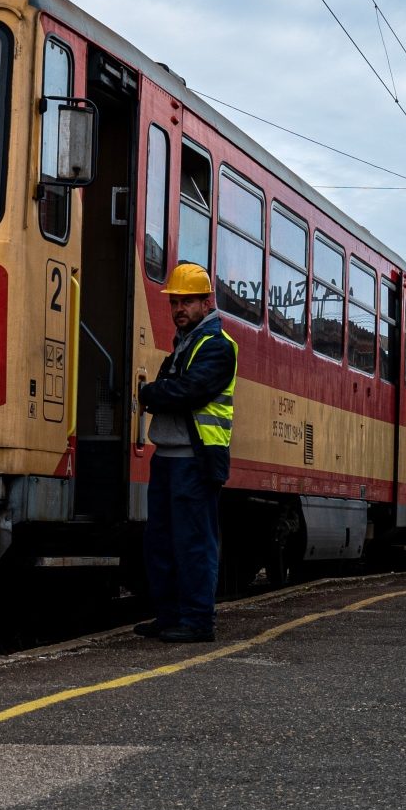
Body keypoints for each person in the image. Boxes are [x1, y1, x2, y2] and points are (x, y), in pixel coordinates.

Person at [134, 261, 238, 644]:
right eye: (174, 302)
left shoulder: (217, 347)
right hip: (169, 458)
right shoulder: (186, 344)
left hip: (196, 460)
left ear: (206, 302)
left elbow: (187, 391)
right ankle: (169, 617)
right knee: (160, 543)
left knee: (193, 543)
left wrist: (149, 394)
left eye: (187, 301)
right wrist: (162, 392)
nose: (179, 309)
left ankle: (197, 622)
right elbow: (175, 389)